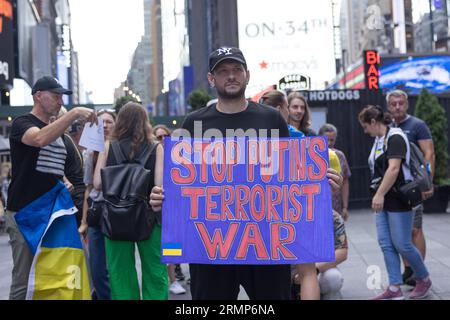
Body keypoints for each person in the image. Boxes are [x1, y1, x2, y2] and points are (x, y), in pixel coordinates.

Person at [150, 47, 342, 300]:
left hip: (266, 243)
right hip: (211, 247)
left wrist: (320, 186)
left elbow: (288, 175)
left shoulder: (271, 119)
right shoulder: (193, 122)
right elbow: (183, 183)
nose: (231, 76)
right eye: (223, 71)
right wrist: (164, 199)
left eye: (237, 70)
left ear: (247, 75)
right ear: (211, 79)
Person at [5, 76, 96, 300]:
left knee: (58, 273)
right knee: (23, 278)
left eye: (61, 96)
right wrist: (73, 114)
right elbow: (38, 140)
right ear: (38, 95)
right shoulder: (21, 123)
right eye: (55, 95)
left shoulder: (57, 134)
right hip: (24, 212)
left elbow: (52, 166)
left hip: (52, 213)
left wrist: (63, 181)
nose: (59, 100)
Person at [93, 102, 167, 300]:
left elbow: (97, 183)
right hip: (150, 218)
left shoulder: (108, 145)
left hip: (115, 218)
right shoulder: (156, 148)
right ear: (145, 122)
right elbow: (159, 186)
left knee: (120, 274)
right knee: (155, 272)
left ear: (120, 122)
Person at [359, 105, 432, 300]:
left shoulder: (396, 137)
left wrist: (379, 194)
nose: (365, 131)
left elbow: (393, 169)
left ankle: (423, 278)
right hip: (383, 198)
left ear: (374, 122)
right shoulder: (379, 139)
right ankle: (394, 287)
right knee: (386, 243)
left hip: (398, 198)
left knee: (402, 244)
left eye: (365, 127)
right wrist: (380, 195)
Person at [386, 89, 435, 286]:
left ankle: (418, 272)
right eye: (393, 104)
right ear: (388, 106)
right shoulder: (387, 126)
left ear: (407, 105)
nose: (397, 107)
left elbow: (429, 154)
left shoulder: (417, 125)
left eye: (401, 103)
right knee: (400, 234)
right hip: (394, 191)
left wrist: (427, 183)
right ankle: (408, 269)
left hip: (413, 188)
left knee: (415, 229)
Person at [78, 109, 116, 300]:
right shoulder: (89, 154)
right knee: (97, 269)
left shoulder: (122, 148)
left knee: (117, 267)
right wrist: (84, 221)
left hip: (119, 214)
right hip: (96, 214)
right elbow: (89, 189)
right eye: (102, 123)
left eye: (110, 122)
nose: (106, 126)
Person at [153, 124, 187, 295]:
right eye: (158, 137)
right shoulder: (153, 156)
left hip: (177, 207)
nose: (162, 140)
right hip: (157, 210)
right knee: (163, 248)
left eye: (165, 136)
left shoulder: (181, 156)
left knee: (174, 246)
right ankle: (169, 281)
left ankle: (174, 279)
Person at [319, 124, 351, 221]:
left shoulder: (340, 155)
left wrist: (345, 207)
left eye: (332, 140)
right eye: (326, 139)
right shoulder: (313, 156)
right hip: (319, 208)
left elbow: (345, 181)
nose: (329, 143)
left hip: (336, 207)